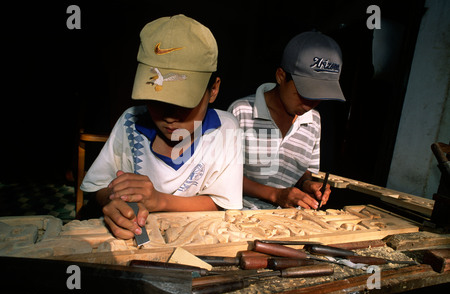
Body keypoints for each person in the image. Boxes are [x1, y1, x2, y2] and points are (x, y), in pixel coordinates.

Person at [81, 15, 243, 239]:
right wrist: (113, 200)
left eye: (184, 103)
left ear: (213, 90)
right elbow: (97, 186)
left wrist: (160, 200)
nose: (169, 117)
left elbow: (223, 205)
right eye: (156, 102)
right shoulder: (130, 122)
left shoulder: (226, 129)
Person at [228, 31, 345, 210]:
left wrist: (307, 184)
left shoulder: (314, 120)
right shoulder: (241, 112)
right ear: (281, 76)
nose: (310, 104)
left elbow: (300, 170)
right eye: (305, 93)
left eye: (319, 96)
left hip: (287, 222)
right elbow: (221, 177)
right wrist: (276, 194)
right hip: (239, 217)